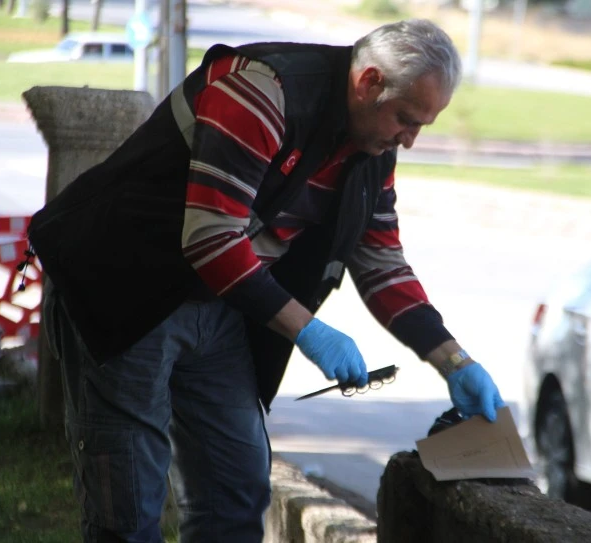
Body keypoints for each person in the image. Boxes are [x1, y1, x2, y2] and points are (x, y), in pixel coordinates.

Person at [28, 18, 505, 543]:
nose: (409, 140)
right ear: (369, 82)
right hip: (122, 286)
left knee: (236, 490)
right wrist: (309, 331)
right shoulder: (262, 90)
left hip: (221, 304)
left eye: (422, 126)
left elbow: (383, 263)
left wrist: (454, 361)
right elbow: (212, 238)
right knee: (128, 506)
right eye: (406, 119)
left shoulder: (374, 146)